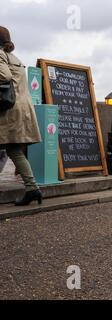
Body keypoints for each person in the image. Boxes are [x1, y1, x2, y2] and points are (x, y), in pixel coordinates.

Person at [0, 26, 42, 205]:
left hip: (9, 110)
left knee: (12, 149)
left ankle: (33, 189)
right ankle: (33, 189)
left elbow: (4, 75)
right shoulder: (15, 58)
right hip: (22, 108)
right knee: (14, 149)